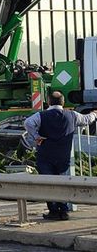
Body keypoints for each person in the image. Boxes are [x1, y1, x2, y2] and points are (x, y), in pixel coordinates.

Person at [24, 91, 97, 221]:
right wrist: (94, 114)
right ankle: (64, 211)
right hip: (63, 156)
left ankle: (53, 211)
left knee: (48, 184)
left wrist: (36, 137)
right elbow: (87, 120)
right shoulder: (72, 115)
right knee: (62, 182)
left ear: (49, 102)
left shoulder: (41, 115)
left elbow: (28, 123)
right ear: (63, 102)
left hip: (45, 156)